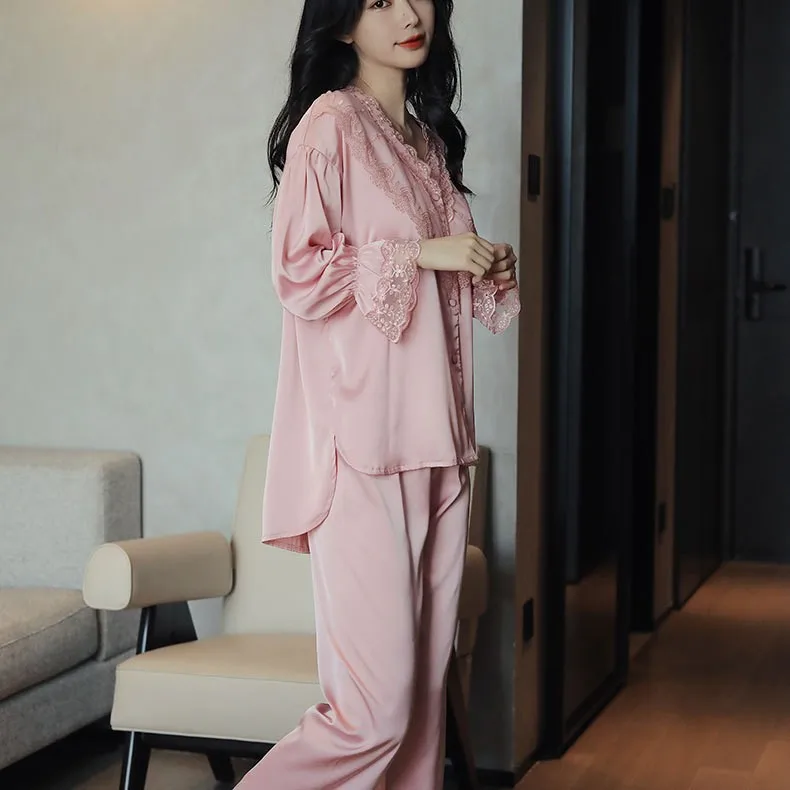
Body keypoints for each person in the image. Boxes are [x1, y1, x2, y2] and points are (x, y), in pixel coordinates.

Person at [238, 1, 520, 788]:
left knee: (422, 711)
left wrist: (478, 264)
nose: (407, 12)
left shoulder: (426, 142)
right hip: (362, 446)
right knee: (376, 713)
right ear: (340, 23)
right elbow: (298, 272)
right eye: (377, 0)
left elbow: (427, 293)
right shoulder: (330, 126)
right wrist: (422, 252)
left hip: (441, 446)